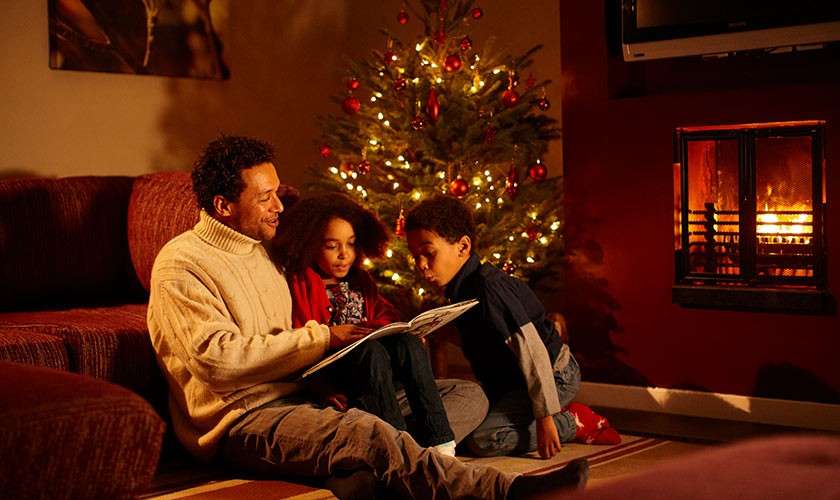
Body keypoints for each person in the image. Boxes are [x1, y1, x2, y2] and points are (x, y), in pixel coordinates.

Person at [147, 135, 589, 499]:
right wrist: (323, 339)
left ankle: (365, 475)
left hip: (308, 395)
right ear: (224, 205)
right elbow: (216, 362)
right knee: (369, 431)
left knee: (465, 395)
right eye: (265, 198)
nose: (279, 207)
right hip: (244, 417)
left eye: (277, 194)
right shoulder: (182, 265)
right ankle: (503, 491)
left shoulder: (267, 254)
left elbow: (291, 332)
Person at [405, 195, 621, 460]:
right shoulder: (459, 291)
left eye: (429, 254)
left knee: (483, 439)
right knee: (462, 428)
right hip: (513, 384)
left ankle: (572, 421)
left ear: (463, 247)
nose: (421, 265)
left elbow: (532, 351)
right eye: (415, 257)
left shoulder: (489, 289)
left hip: (552, 375)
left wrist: (544, 417)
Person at [272, 193, 456, 456]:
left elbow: (385, 313)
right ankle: (399, 447)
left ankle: (441, 442)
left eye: (351, 244)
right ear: (311, 244)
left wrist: (404, 330)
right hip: (341, 371)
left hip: (378, 370)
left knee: (409, 343)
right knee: (371, 351)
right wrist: (322, 389)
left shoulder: (361, 279)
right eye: (331, 246)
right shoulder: (303, 282)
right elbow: (302, 342)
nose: (344, 255)